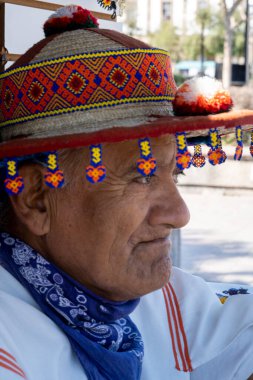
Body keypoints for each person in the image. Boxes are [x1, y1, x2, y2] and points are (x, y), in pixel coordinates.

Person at [0, 5, 253, 380]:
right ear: (37, 198)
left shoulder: (134, 291)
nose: (179, 214)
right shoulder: (10, 342)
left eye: (175, 173)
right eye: (142, 175)